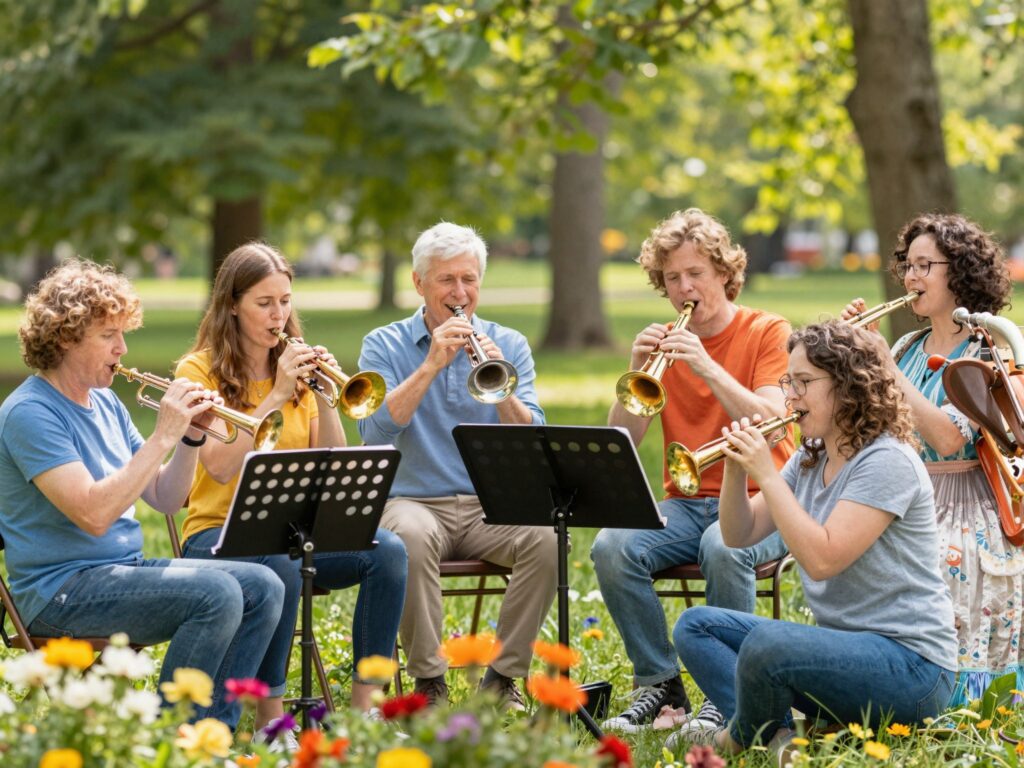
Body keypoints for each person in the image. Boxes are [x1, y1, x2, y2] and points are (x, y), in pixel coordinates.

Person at [0, 259, 285, 729]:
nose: (123, 348)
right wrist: (162, 437)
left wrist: (192, 436)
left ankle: (212, 732)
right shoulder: (30, 414)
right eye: (109, 335)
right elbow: (93, 515)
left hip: (120, 573)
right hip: (61, 593)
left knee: (263, 586)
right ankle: (173, 737)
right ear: (67, 338)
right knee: (215, 593)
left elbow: (165, 498)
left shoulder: (106, 401)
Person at [671, 321, 957, 757]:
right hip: (844, 654)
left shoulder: (886, 461)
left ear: (848, 386)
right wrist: (735, 470)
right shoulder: (812, 456)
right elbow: (738, 533)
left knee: (769, 646)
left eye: (803, 383)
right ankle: (780, 737)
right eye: (789, 382)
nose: (790, 397)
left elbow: (823, 559)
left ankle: (736, 739)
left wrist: (767, 474)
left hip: (913, 670)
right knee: (696, 626)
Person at [175, 242, 407, 733]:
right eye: (264, 303)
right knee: (278, 564)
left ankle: (365, 712)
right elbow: (217, 468)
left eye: (285, 300)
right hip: (218, 536)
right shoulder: (200, 370)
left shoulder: (296, 366)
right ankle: (272, 721)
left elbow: (335, 460)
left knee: (388, 551)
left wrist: (323, 397)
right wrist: (278, 395)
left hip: (296, 533)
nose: (278, 313)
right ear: (233, 304)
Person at [590, 208, 795, 733]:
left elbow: (773, 421)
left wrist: (704, 362)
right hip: (685, 500)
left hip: (765, 497)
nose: (684, 288)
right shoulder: (665, 345)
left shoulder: (767, 330)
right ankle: (659, 686)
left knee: (722, 546)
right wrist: (636, 374)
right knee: (612, 547)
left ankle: (725, 694)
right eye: (672, 278)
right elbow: (624, 442)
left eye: (695, 274)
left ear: (724, 273)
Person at [358, 221, 556, 709]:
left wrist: (501, 386)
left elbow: (533, 441)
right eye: (446, 280)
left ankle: (503, 678)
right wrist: (431, 366)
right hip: (412, 500)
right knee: (408, 539)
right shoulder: (383, 344)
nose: (460, 292)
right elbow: (375, 431)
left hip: (492, 504)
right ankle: (430, 681)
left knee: (548, 539)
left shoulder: (508, 344)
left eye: (469, 279)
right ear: (418, 283)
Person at [843, 213, 1022, 705]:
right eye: (908, 265)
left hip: (967, 508)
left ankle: (955, 704)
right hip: (907, 495)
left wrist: (882, 365)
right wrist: (854, 358)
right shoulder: (906, 347)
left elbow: (947, 437)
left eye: (925, 265)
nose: (911, 277)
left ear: (959, 272)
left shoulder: (989, 349)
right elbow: (869, 426)